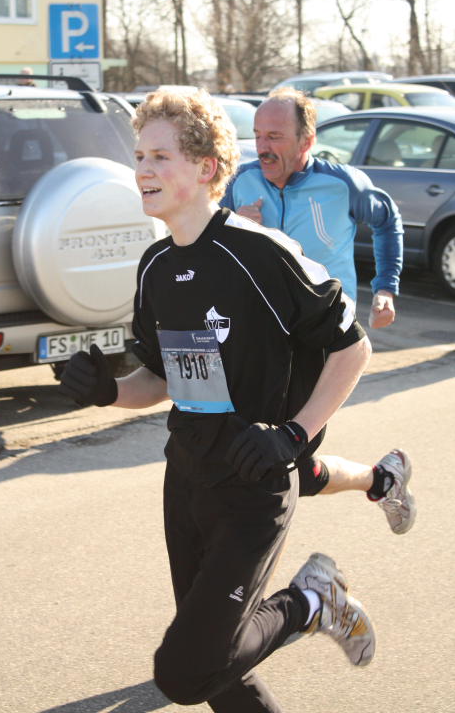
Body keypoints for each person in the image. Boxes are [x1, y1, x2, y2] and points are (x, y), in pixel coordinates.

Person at [60, 87, 376, 712]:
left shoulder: (260, 253)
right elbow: (162, 379)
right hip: (187, 478)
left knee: (184, 673)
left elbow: (353, 348)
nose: (143, 170)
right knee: (218, 676)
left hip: (255, 486)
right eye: (139, 156)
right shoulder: (155, 266)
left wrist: (295, 435)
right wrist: (107, 391)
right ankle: (309, 606)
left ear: (206, 168)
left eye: (160, 157)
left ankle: (311, 602)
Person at [220, 88, 415, 535]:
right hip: (263, 335)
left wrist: (386, 288)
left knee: (284, 456)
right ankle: (382, 480)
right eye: (258, 135)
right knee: (279, 460)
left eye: (275, 136)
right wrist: (237, 227)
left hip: (323, 336)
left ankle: (255, 558)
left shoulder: (342, 184)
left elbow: (387, 220)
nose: (263, 146)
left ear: (306, 141)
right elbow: (215, 245)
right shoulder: (242, 184)